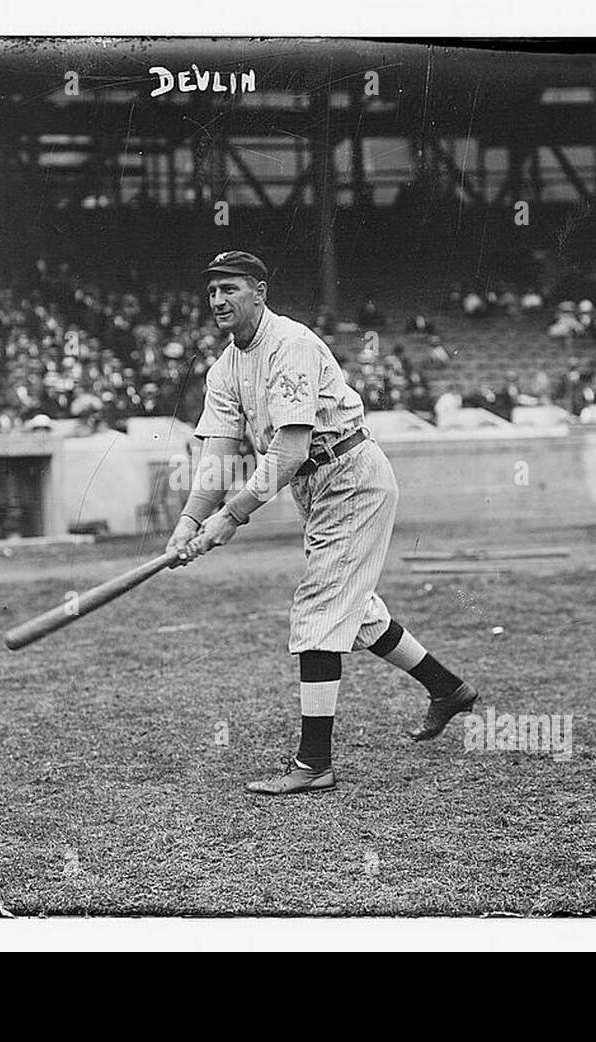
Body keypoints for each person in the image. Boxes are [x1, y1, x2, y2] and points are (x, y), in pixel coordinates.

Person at [165, 250, 478, 796]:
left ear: (259, 291)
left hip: (349, 473)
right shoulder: (224, 369)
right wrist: (191, 521)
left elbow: (287, 452)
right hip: (316, 487)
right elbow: (216, 458)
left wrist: (231, 518)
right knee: (353, 613)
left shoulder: (292, 346)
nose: (218, 300)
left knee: (318, 609)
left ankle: (314, 763)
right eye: (212, 290)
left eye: (231, 288)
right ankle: (447, 688)